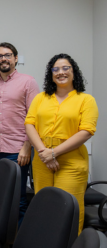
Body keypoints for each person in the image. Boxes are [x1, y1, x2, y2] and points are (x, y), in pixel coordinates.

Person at [25, 54, 97, 233]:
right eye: (55, 69)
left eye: (66, 68)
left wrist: (54, 153)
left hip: (71, 162)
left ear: (74, 72)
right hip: (41, 160)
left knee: (68, 209)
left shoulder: (86, 100)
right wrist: (44, 152)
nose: (61, 72)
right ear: (51, 74)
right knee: (44, 207)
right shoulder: (41, 97)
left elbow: (86, 131)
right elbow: (29, 123)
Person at [0, 42, 39, 224]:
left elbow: (34, 117)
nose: (3, 58)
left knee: (16, 199)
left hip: (17, 150)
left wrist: (27, 146)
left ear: (16, 58)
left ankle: (17, 245)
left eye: (8, 55)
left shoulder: (28, 82)